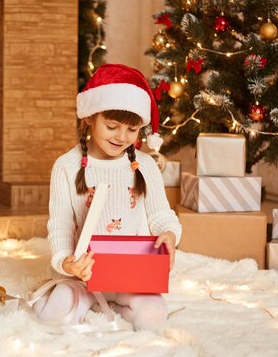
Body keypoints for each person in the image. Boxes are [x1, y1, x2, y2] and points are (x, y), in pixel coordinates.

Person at [33, 64, 182, 331]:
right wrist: (67, 262)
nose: (122, 137)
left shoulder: (145, 166)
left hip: (132, 275)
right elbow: (61, 225)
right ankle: (77, 299)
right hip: (83, 276)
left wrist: (169, 235)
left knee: (154, 315)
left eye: (132, 130)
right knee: (52, 314)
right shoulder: (67, 166)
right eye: (112, 126)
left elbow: (161, 216)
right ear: (90, 117)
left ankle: (121, 307)